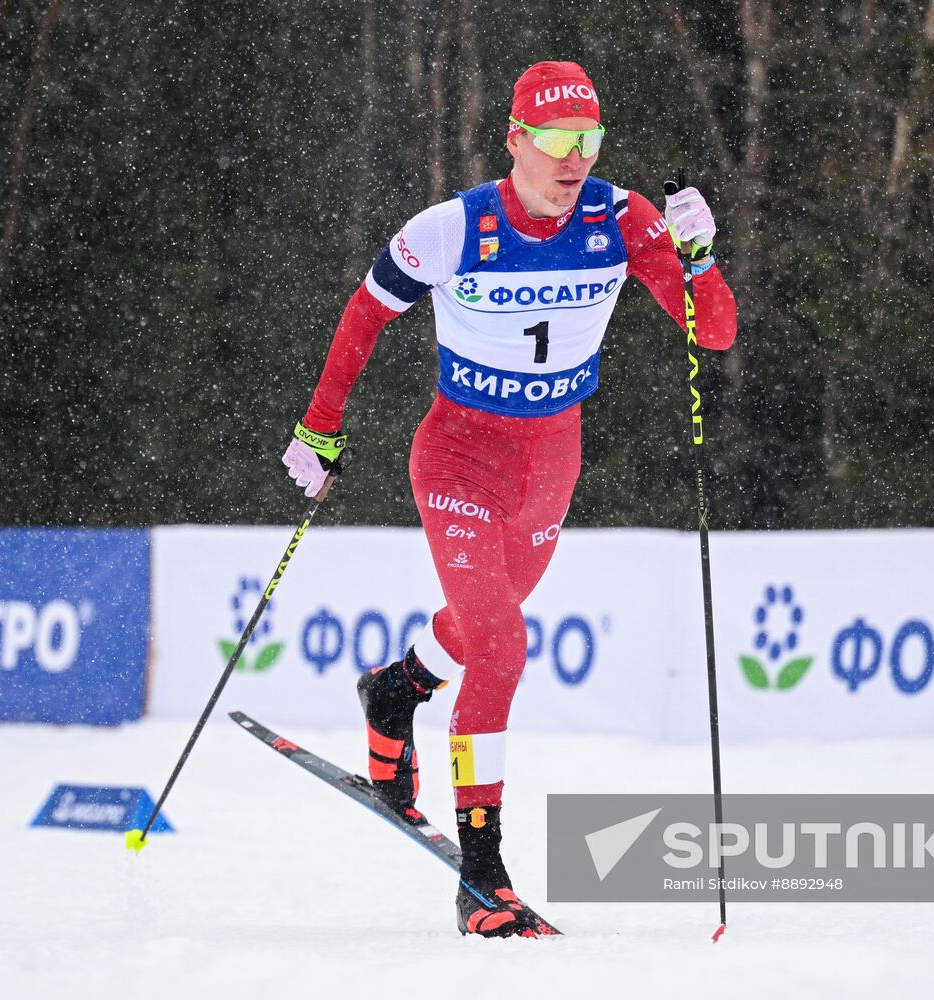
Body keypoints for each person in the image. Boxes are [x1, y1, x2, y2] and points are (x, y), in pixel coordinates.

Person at [282, 61, 737, 937]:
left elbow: (711, 330)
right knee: (502, 645)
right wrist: (319, 427)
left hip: (551, 463)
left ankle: (396, 689)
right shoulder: (455, 228)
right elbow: (364, 314)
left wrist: (699, 255)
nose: (575, 160)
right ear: (517, 140)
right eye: (558, 141)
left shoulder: (620, 219)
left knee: (481, 629)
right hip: (458, 458)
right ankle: (483, 876)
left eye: (590, 142)